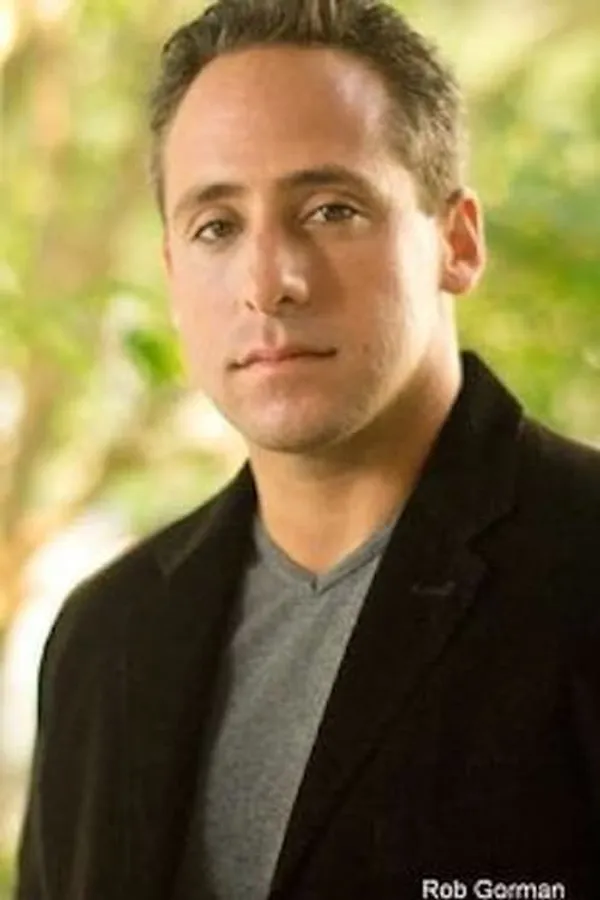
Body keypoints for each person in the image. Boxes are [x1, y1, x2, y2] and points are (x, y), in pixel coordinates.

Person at [14, 0, 600, 898]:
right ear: (172, 272)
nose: (268, 283)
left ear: (456, 241)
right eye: (217, 226)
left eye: (331, 209)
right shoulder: (103, 639)